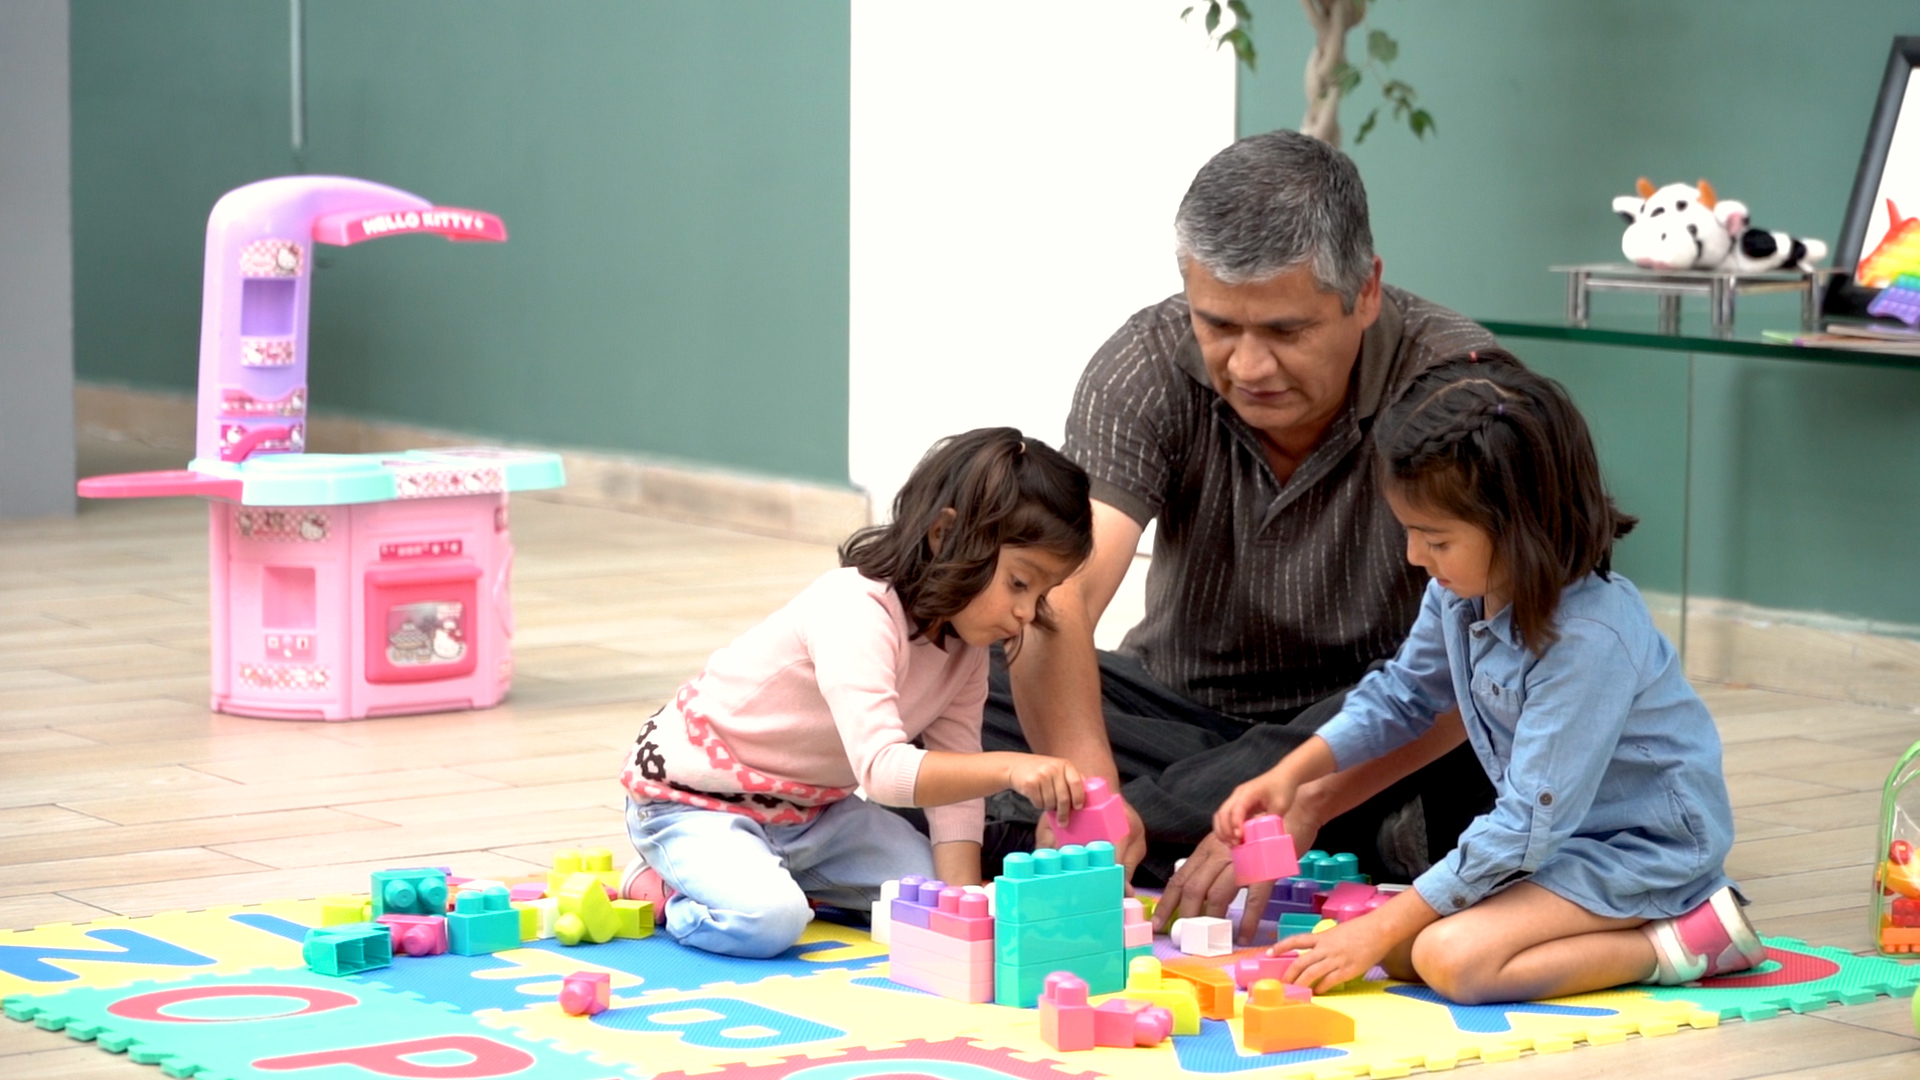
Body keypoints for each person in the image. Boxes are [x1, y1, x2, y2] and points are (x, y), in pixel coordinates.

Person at [983, 129, 1500, 936]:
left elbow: (1506, 638)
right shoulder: (1145, 364)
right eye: (1218, 325)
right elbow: (1063, 595)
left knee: (1492, 702)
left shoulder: (1458, 383)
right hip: (1175, 711)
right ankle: (1316, 842)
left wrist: (1309, 791)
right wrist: (1092, 795)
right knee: (965, 662)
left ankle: (1096, 829)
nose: (1250, 366)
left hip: (1372, 729)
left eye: (1286, 332)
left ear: (1365, 291)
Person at [1213, 358, 1763, 1003]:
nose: (1417, 557)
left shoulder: (1587, 638)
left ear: (1521, 524)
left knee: (1452, 961)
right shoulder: (1460, 593)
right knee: (1394, 948)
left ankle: (1688, 940)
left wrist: (1387, 923)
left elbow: (1528, 820)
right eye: (1411, 533)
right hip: (1558, 845)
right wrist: (1291, 773)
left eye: (1436, 540)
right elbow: (1405, 695)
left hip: (1641, 851)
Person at [618, 428, 1094, 958]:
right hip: (696, 803)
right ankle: (663, 890)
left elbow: (955, 780)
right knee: (770, 920)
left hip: (811, 816)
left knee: (927, 897)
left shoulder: (964, 648)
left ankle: (770, 874)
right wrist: (1011, 768)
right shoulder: (855, 609)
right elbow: (884, 773)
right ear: (945, 535)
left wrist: (961, 903)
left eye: (1042, 593)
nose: (1027, 612)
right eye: (1019, 583)